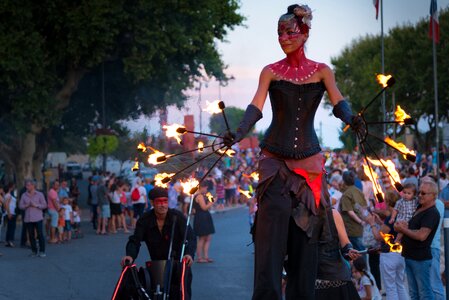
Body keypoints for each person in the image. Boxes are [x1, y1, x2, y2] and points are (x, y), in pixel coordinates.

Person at [224, 4, 364, 299]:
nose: (283, 37)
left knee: (306, 241)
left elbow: (339, 103)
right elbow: (255, 107)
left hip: (310, 167)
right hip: (275, 163)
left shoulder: (322, 71)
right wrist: (237, 134)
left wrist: (353, 120)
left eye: (289, 31)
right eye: (279, 33)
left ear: (304, 33)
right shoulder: (270, 72)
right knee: (269, 243)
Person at [121, 187, 196, 299]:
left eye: (165, 201)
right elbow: (135, 240)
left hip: (178, 264)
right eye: (159, 202)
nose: (163, 205)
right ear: (152, 203)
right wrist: (130, 255)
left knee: (180, 295)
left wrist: (189, 254)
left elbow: (191, 237)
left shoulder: (177, 217)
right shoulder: (145, 219)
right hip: (157, 266)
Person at [394, 180, 440, 300]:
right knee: (414, 294)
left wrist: (403, 230)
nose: (419, 195)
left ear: (433, 195)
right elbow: (414, 229)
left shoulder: (432, 213)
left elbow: (421, 236)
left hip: (420, 259)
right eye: (419, 192)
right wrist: (403, 225)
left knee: (425, 293)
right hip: (410, 256)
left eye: (423, 193)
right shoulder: (419, 207)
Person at [365, 192, 408, 300]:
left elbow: (379, 237)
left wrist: (372, 224)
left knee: (390, 287)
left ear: (388, 202)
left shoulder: (390, 218)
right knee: (400, 285)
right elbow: (389, 230)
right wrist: (380, 223)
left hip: (389, 254)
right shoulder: (402, 214)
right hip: (400, 253)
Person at [315, 209, 361, 300]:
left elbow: (345, 244)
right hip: (309, 281)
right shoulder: (296, 212)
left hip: (336, 280)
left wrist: (349, 251)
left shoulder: (332, 214)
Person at [339, 171, 367, 251]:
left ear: (344, 181)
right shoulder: (358, 191)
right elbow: (364, 207)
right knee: (362, 251)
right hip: (360, 229)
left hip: (351, 229)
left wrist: (360, 222)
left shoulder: (346, 194)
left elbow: (350, 212)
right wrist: (363, 221)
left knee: (354, 252)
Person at [19, 179, 47, 257]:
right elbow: (20, 206)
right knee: (31, 235)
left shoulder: (40, 194)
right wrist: (26, 206)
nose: (26, 187)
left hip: (38, 217)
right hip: (28, 218)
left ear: (33, 185)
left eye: (28, 185)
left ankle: (42, 251)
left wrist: (37, 205)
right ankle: (34, 251)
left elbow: (45, 205)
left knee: (40, 234)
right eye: (26, 185)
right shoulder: (24, 195)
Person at [193, 182, 216, 263]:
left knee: (207, 238)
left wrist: (211, 201)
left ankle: (206, 256)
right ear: (202, 188)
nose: (206, 190)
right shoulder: (199, 196)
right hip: (201, 217)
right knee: (202, 238)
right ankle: (200, 257)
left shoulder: (202, 195)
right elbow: (204, 208)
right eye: (205, 188)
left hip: (204, 217)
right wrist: (212, 202)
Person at [4, 182, 17, 247]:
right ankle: (10, 241)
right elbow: (6, 205)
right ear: (11, 187)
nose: (14, 187)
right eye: (13, 186)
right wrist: (9, 213)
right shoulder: (9, 195)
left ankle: (7, 241)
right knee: (12, 227)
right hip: (11, 213)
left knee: (9, 227)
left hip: (10, 212)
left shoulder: (7, 195)